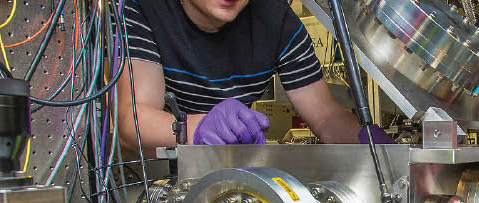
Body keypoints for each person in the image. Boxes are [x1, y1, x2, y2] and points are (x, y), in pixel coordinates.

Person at [115, 0, 392, 153]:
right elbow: (132, 123)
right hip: (158, 178)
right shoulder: (144, 9)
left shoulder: (276, 19)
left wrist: (386, 151)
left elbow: (326, 117)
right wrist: (197, 128)